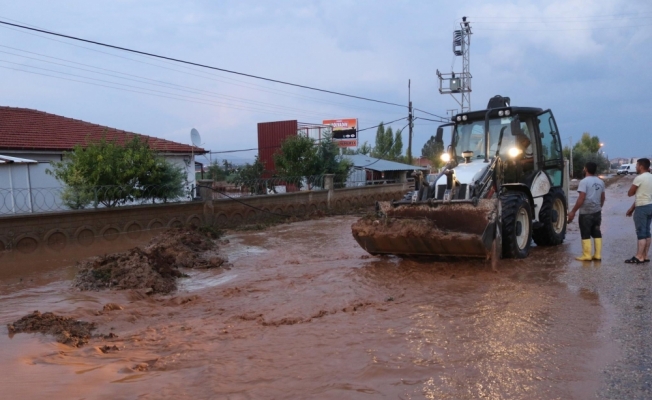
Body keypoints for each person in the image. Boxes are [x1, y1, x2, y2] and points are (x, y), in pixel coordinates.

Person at [567, 161, 606, 261]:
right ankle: (597, 255)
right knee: (597, 231)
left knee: (585, 232)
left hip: (586, 212)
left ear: (586, 169)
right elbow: (603, 197)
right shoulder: (601, 182)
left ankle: (586, 255)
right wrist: (599, 207)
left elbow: (581, 198)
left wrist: (573, 211)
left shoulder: (584, 182)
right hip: (597, 211)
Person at [625, 158, 652, 264]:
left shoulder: (639, 178)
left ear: (641, 166)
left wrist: (632, 209)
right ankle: (645, 256)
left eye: (637, 165)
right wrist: (631, 209)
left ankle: (639, 256)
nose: (636, 167)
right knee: (647, 232)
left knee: (641, 232)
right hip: (650, 206)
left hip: (642, 207)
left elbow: (630, 193)